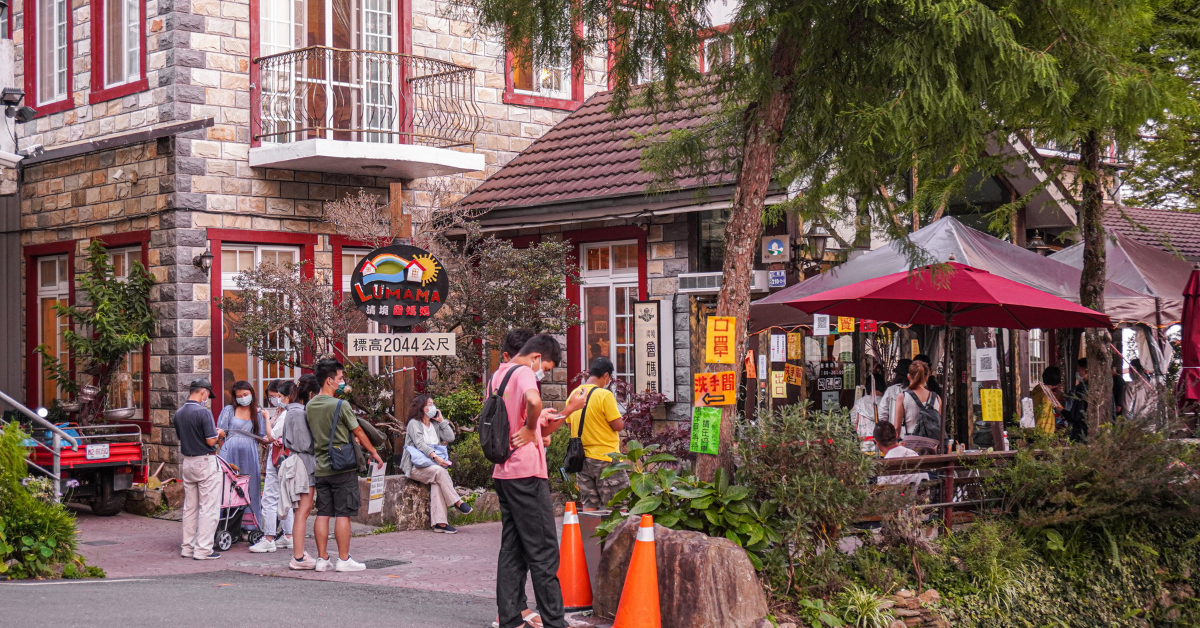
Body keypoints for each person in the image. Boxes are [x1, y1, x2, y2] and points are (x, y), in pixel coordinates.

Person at [491, 334, 587, 628]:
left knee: (513, 548)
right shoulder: (523, 373)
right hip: (526, 473)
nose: (543, 372)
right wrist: (532, 427)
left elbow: (514, 413)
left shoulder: (498, 375)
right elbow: (533, 400)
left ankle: (509, 618)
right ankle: (554, 621)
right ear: (535, 357)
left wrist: (535, 423)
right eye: (545, 366)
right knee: (544, 550)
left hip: (504, 471)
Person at [306, 359, 384, 572]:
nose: (342, 382)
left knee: (323, 512)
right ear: (329, 381)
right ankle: (344, 559)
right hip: (343, 466)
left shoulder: (310, 406)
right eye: (340, 378)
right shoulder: (341, 405)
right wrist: (374, 452)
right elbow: (358, 431)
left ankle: (322, 559)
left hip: (321, 466)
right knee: (343, 514)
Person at [400, 395, 472, 533]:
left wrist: (442, 420)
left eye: (433, 404)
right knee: (440, 471)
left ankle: (440, 523)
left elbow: (450, 437)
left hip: (432, 466)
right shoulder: (414, 424)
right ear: (421, 407)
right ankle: (457, 502)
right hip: (416, 467)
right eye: (429, 404)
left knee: (437, 481)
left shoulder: (435, 424)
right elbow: (420, 444)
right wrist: (436, 458)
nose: (433, 407)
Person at [565, 357, 628, 511]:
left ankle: (589, 535)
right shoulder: (604, 395)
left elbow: (569, 424)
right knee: (619, 505)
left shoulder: (574, 393)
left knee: (589, 504)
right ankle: (617, 535)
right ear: (606, 375)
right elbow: (618, 426)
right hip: (605, 458)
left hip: (581, 459)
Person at [175, 379, 225, 560]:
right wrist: (219, 433)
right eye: (207, 395)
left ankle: (187, 547)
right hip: (205, 461)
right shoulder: (204, 413)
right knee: (208, 508)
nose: (207, 399)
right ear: (203, 392)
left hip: (187, 462)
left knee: (190, 507)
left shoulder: (179, 413)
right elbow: (211, 441)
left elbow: (182, 437)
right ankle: (203, 549)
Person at [217, 380, 270, 537]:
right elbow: (221, 431)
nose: (243, 398)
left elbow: (262, 436)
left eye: (245, 395)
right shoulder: (229, 410)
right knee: (227, 487)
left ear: (252, 394)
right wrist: (223, 447)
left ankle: (250, 526)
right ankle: (226, 524)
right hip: (230, 451)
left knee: (249, 486)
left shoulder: (257, 413)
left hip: (249, 452)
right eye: (239, 396)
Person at [251, 381, 296, 553]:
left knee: (270, 497)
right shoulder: (296, 411)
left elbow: (272, 436)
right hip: (287, 457)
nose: (277, 400)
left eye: (279, 396)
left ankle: (269, 537)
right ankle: (288, 535)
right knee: (285, 498)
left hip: (278, 458)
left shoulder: (287, 414)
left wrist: (265, 419)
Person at [285, 374, 322, 570]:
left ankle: (299, 555)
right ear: (310, 394)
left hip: (301, 461)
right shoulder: (299, 413)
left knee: (302, 510)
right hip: (304, 463)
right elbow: (304, 443)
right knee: (303, 511)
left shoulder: (293, 410)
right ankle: (298, 557)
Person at [893, 361, 941, 437]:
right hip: (932, 445)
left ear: (908, 377)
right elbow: (939, 424)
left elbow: (897, 427)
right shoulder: (937, 398)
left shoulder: (902, 397)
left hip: (911, 444)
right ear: (927, 378)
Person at [873, 422, 929, 486]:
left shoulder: (886, 464)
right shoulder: (914, 454)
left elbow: (881, 492)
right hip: (921, 494)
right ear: (896, 435)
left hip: (902, 495)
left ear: (876, 442)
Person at [878, 359, 912, 432]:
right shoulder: (915, 391)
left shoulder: (890, 390)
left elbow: (882, 411)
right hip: (911, 433)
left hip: (894, 432)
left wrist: (886, 427)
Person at [851, 373, 887, 438]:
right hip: (882, 441)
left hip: (864, 440)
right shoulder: (886, 402)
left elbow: (853, 422)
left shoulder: (860, 402)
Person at [1063, 358, 1089, 440]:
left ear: (1086, 371)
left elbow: (1075, 416)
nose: (1077, 373)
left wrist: (1062, 411)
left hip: (1081, 432)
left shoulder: (1082, 390)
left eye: (1078, 370)